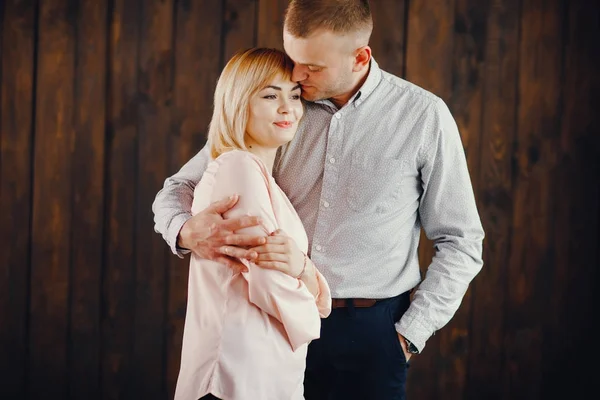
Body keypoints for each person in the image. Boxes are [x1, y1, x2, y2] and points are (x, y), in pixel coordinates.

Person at [154, 1, 485, 399]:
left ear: (360, 56)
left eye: (312, 66)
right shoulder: (280, 106)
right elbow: (179, 187)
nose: (296, 74)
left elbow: (462, 242)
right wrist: (186, 230)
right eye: (294, 58)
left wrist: (409, 336)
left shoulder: (423, 117)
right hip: (272, 327)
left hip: (373, 336)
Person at [172, 47, 332, 400]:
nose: (288, 108)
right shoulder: (238, 167)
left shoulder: (263, 178)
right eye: (270, 95)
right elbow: (268, 279)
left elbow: (285, 269)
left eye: (294, 95)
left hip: (268, 374)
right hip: (234, 377)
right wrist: (317, 310)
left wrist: (303, 271)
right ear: (239, 103)